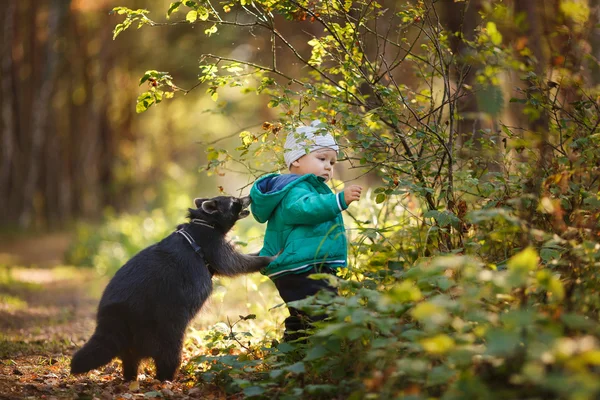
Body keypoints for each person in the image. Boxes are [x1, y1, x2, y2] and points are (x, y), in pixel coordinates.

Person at [250, 120, 362, 342]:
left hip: (303, 266)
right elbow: (305, 209)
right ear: (297, 160)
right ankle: (320, 358)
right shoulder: (294, 188)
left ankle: (292, 354)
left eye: (332, 161)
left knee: (304, 317)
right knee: (323, 312)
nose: (329, 166)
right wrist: (339, 200)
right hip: (300, 268)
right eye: (321, 159)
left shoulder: (304, 187)